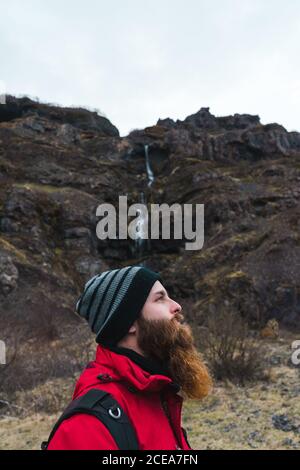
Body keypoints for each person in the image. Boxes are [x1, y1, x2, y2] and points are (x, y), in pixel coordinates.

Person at [47, 265, 212, 450]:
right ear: (129, 323)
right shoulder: (89, 424)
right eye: (160, 299)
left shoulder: (155, 391)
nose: (176, 306)